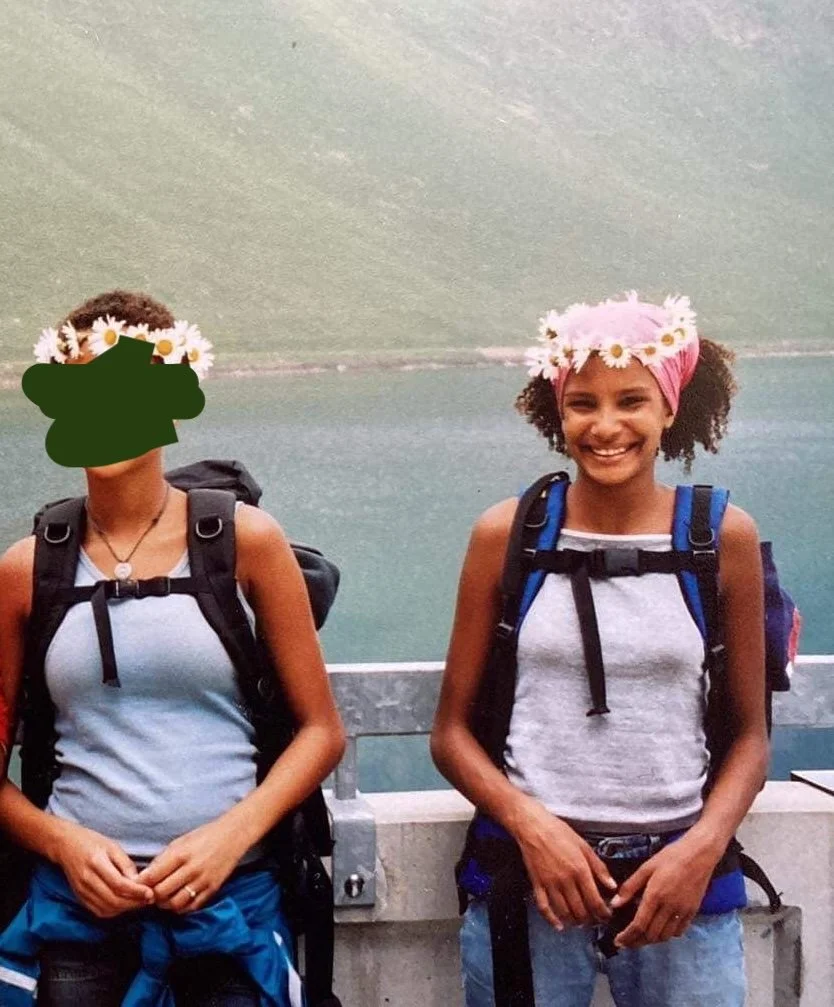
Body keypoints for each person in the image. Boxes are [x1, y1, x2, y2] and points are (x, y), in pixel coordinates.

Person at [0, 290, 346, 1006]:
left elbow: (321, 730)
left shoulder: (247, 541)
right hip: (78, 916)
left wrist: (230, 835)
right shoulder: (25, 570)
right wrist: (65, 844)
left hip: (230, 901)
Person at [431, 292, 767, 1007]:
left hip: (679, 887)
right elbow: (452, 733)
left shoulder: (719, 537)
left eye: (631, 401)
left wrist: (701, 848)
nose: (606, 425)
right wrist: (532, 826)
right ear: (558, 411)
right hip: (531, 884)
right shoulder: (508, 536)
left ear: (670, 407)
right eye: (583, 403)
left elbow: (750, 736)